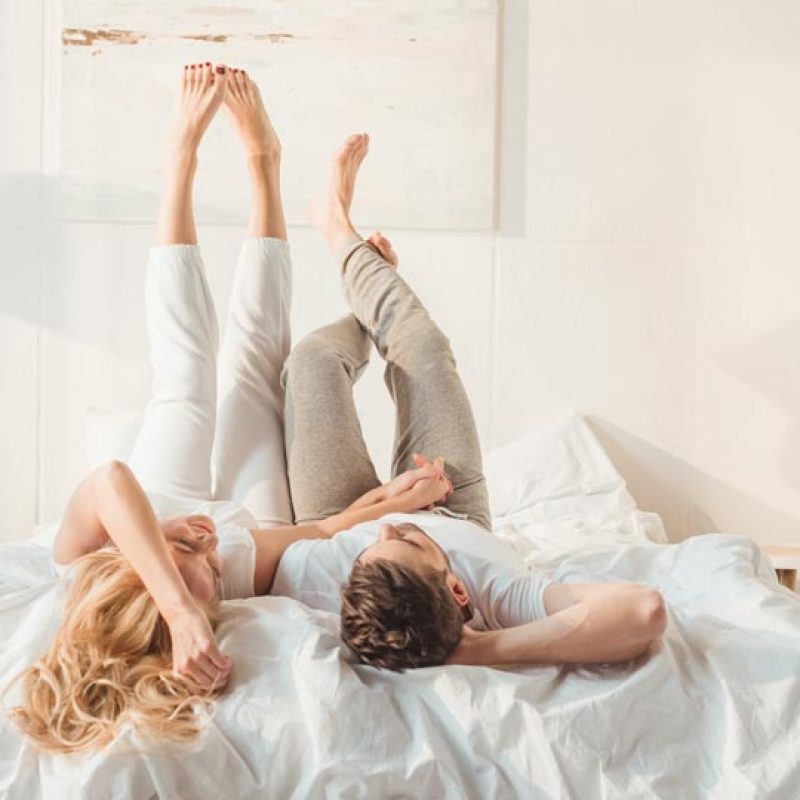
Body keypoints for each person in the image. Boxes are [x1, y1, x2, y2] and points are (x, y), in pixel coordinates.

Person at [6, 63, 449, 754]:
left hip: (153, 498)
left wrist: (180, 599)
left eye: (190, 555)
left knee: (185, 371)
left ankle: (178, 159)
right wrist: (394, 502)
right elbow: (323, 532)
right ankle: (265, 166)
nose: (208, 546)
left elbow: (109, 481)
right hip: (233, 529)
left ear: (140, 571)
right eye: (211, 576)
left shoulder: (82, 564)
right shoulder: (225, 567)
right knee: (252, 371)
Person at [272, 132, 669, 671]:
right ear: (458, 590)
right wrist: (483, 647)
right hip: (452, 498)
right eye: (408, 542)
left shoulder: (329, 571)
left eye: (377, 547)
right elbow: (644, 611)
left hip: (340, 516)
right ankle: (345, 241)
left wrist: (376, 515)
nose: (389, 530)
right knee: (425, 347)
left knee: (312, 363)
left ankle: (365, 292)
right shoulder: (498, 589)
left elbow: (297, 545)